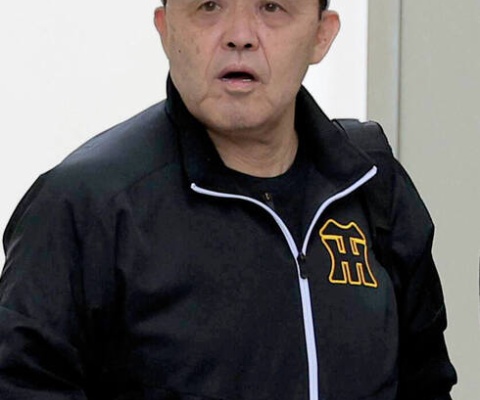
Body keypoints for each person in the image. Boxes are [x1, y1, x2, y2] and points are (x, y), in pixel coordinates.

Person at [0, 0, 457, 399]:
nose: (240, 36)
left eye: (272, 7)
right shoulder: (86, 207)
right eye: (209, 6)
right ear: (165, 29)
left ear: (322, 34)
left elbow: (426, 383)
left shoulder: (369, 183)